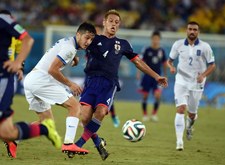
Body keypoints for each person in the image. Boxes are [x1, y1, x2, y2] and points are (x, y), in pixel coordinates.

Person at [71, 9, 168, 160]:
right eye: (111, 21)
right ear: (104, 22)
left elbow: (138, 62)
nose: (113, 24)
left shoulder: (123, 44)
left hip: (109, 83)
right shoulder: (93, 39)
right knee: (84, 118)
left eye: (117, 22)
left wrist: (156, 76)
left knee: (101, 112)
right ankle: (98, 142)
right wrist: (74, 58)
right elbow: (76, 47)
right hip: (91, 81)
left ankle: (78, 144)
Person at [22, 22, 96, 156]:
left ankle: (13, 137)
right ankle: (69, 144)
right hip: (41, 80)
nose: (88, 42)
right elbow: (52, 70)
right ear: (78, 34)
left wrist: (74, 58)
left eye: (91, 39)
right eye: (87, 37)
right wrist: (70, 84)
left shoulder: (67, 41)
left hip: (31, 79)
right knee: (74, 106)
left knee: (46, 123)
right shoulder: (69, 48)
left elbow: (63, 50)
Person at [0, 9, 61, 158]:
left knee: (6, 132)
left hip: (2, 78)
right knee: (7, 133)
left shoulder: (4, 19)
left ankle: (45, 128)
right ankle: (45, 128)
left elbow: (27, 40)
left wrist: (18, 64)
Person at [167, 21, 216, 151]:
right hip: (181, 81)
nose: (192, 31)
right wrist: (171, 67)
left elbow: (212, 65)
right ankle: (179, 141)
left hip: (196, 83)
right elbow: (169, 61)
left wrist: (203, 75)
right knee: (181, 109)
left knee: (192, 114)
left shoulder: (205, 47)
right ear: (186, 30)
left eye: (195, 29)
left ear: (198, 32)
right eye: (190, 29)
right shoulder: (177, 45)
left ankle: (189, 125)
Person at [136, 31, 167, 122]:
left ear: (159, 40)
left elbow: (164, 63)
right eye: (154, 39)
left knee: (157, 95)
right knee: (145, 95)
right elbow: (140, 62)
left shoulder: (162, 51)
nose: (155, 41)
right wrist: (138, 73)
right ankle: (145, 114)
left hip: (158, 77)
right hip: (147, 76)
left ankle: (154, 114)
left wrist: (165, 75)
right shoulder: (147, 50)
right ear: (151, 39)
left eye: (157, 39)